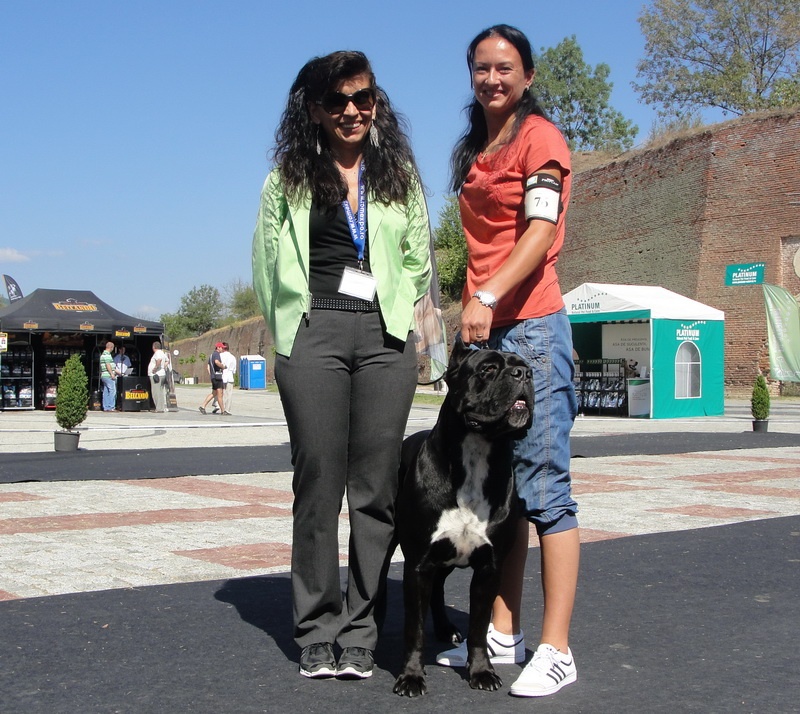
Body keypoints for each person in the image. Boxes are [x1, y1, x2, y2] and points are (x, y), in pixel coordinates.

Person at [252, 50, 431, 681]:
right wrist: (286, 338)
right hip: (314, 329)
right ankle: (317, 627)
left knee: (376, 488)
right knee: (318, 482)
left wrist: (410, 317)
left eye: (363, 99)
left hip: (385, 336)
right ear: (314, 108)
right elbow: (265, 264)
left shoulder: (399, 175)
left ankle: (361, 627)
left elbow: (417, 257)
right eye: (338, 101)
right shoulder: (288, 178)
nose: (352, 111)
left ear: (376, 104)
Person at [435, 25, 579, 698]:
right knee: (506, 493)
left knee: (546, 489)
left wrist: (489, 293)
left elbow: (540, 232)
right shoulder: (478, 147)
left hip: (531, 334)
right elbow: (481, 246)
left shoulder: (539, 139)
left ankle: (557, 647)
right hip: (485, 336)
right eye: (481, 68)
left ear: (526, 75)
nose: (492, 78)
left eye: (505, 68)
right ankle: (502, 631)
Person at [199, 342, 225, 414]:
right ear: (218, 347)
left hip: (214, 377)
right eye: (222, 348)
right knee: (220, 394)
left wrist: (211, 375)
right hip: (217, 377)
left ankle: (203, 406)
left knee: (214, 393)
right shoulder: (216, 354)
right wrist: (222, 366)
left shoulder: (211, 355)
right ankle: (223, 411)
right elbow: (216, 362)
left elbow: (208, 367)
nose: (223, 349)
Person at [147, 341, 169, 412]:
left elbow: (159, 360)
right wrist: (163, 367)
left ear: (153, 347)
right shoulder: (162, 352)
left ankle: (159, 408)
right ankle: (161, 407)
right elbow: (167, 361)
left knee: (156, 392)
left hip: (156, 375)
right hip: (162, 374)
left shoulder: (158, 353)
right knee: (160, 392)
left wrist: (155, 368)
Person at [219, 342, 236, 415]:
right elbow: (234, 370)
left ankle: (220, 407)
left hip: (221, 376)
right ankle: (227, 409)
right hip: (229, 376)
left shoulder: (220, 356)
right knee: (229, 394)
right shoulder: (232, 357)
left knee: (221, 393)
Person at [99, 341, 116, 412]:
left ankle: (105, 407)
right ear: (111, 348)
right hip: (108, 375)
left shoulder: (102, 354)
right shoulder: (107, 355)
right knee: (112, 390)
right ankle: (111, 407)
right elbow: (108, 365)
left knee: (106, 391)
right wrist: (112, 374)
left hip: (104, 375)